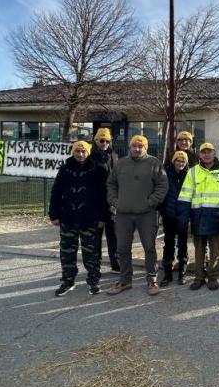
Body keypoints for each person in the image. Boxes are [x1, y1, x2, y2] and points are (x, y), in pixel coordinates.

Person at [105, 135, 168, 296]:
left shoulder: (154, 163)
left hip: (146, 214)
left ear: (146, 148)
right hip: (123, 214)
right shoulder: (121, 164)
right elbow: (111, 183)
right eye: (134, 146)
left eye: (141, 146)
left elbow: (162, 185)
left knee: (149, 248)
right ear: (130, 147)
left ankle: (152, 279)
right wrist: (114, 201)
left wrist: (151, 201)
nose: (137, 149)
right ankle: (125, 280)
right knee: (123, 248)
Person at [49, 141, 109, 296]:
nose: (80, 154)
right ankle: (68, 281)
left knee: (92, 252)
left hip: (90, 219)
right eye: (77, 151)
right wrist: (54, 214)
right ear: (73, 152)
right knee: (67, 251)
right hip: (68, 218)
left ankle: (93, 281)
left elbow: (105, 196)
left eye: (83, 151)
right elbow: (56, 192)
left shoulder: (98, 170)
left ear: (88, 152)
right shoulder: (65, 169)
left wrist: (104, 217)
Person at [176, 142, 219, 291]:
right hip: (198, 217)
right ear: (199, 154)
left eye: (209, 152)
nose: (207, 154)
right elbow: (185, 195)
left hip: (217, 216)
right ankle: (199, 277)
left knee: (215, 250)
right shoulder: (193, 172)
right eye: (204, 152)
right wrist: (183, 217)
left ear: (214, 153)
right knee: (199, 250)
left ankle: (213, 277)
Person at [90, 127, 119, 273]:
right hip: (97, 204)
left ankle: (116, 264)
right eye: (102, 140)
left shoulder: (114, 156)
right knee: (96, 238)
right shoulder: (90, 158)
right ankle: (95, 265)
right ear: (96, 141)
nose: (105, 143)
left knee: (113, 236)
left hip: (112, 203)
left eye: (107, 140)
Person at [159, 151, 189, 286]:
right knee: (169, 244)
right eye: (178, 160)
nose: (180, 163)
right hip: (169, 214)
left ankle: (182, 272)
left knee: (182, 244)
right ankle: (167, 273)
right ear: (173, 161)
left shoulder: (189, 175)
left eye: (183, 161)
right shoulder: (165, 174)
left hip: (182, 215)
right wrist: (162, 210)